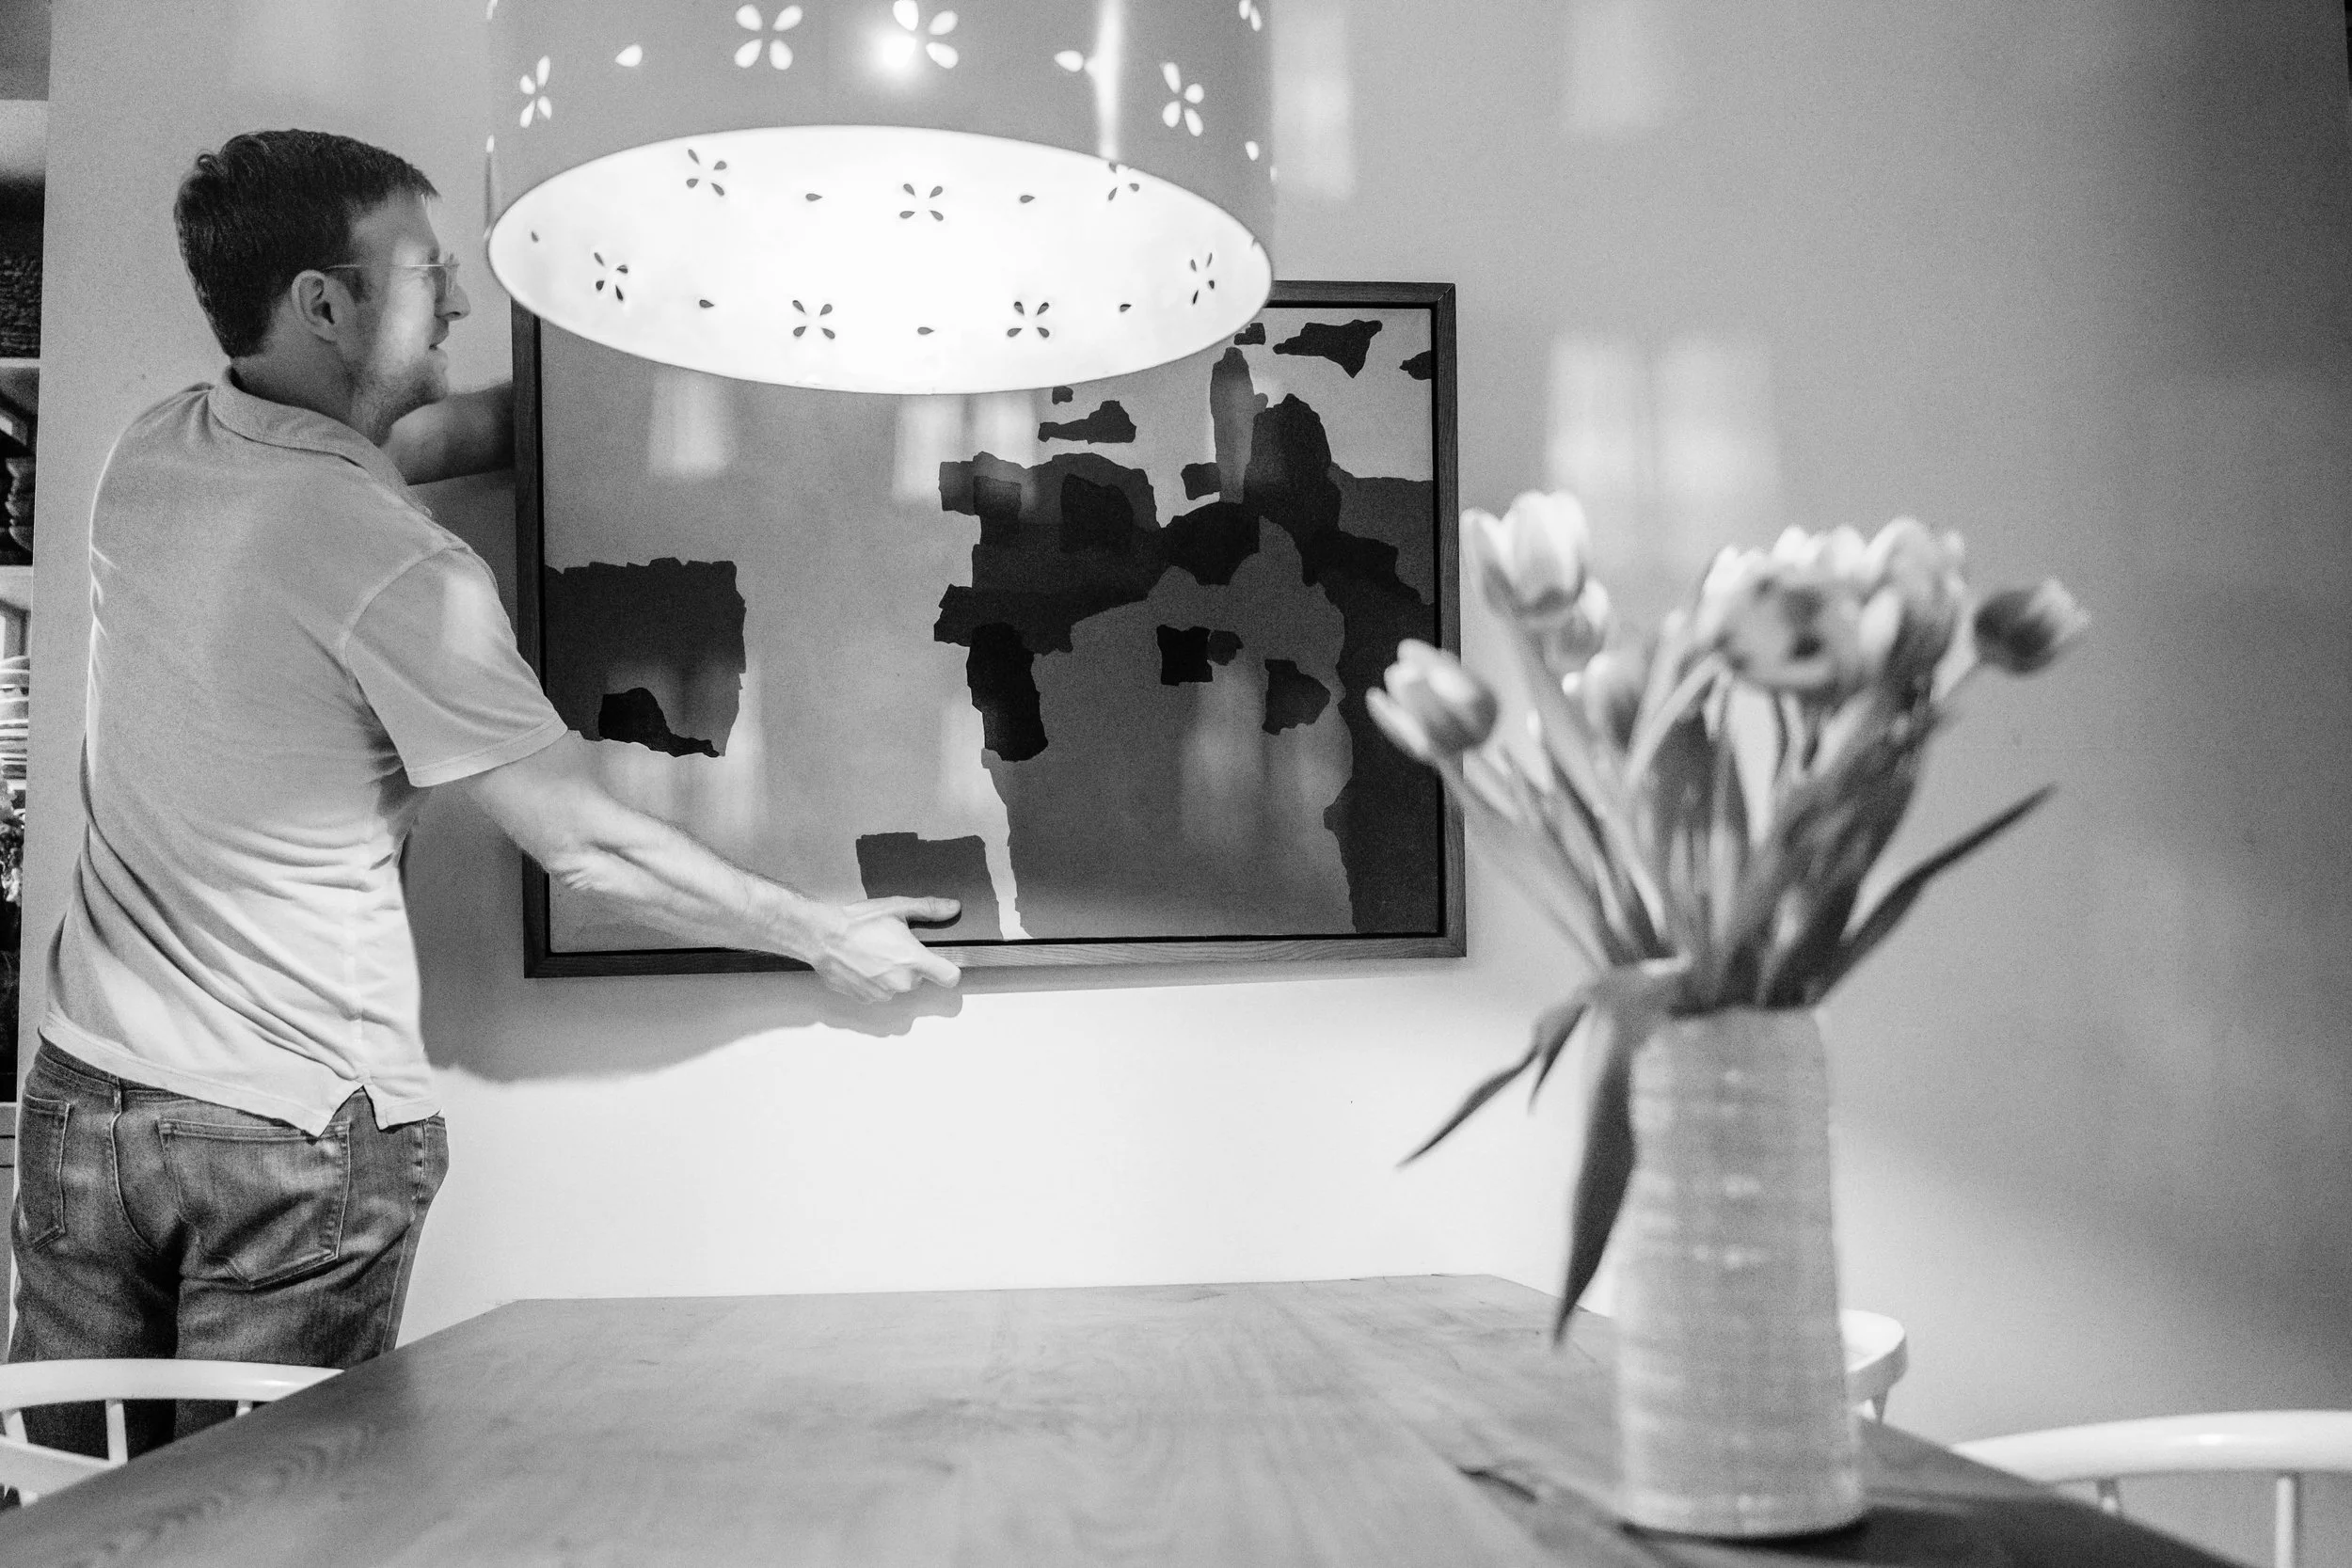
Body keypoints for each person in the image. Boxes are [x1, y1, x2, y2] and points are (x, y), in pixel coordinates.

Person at [7, 129, 960, 1456]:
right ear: (324, 303)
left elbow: (420, 439)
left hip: (86, 1099)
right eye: (427, 271)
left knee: (67, 1509)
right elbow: (587, 846)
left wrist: (616, 393)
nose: (460, 295)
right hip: (286, 1136)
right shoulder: (397, 566)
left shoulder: (158, 449)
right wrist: (824, 933)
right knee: (262, 1524)